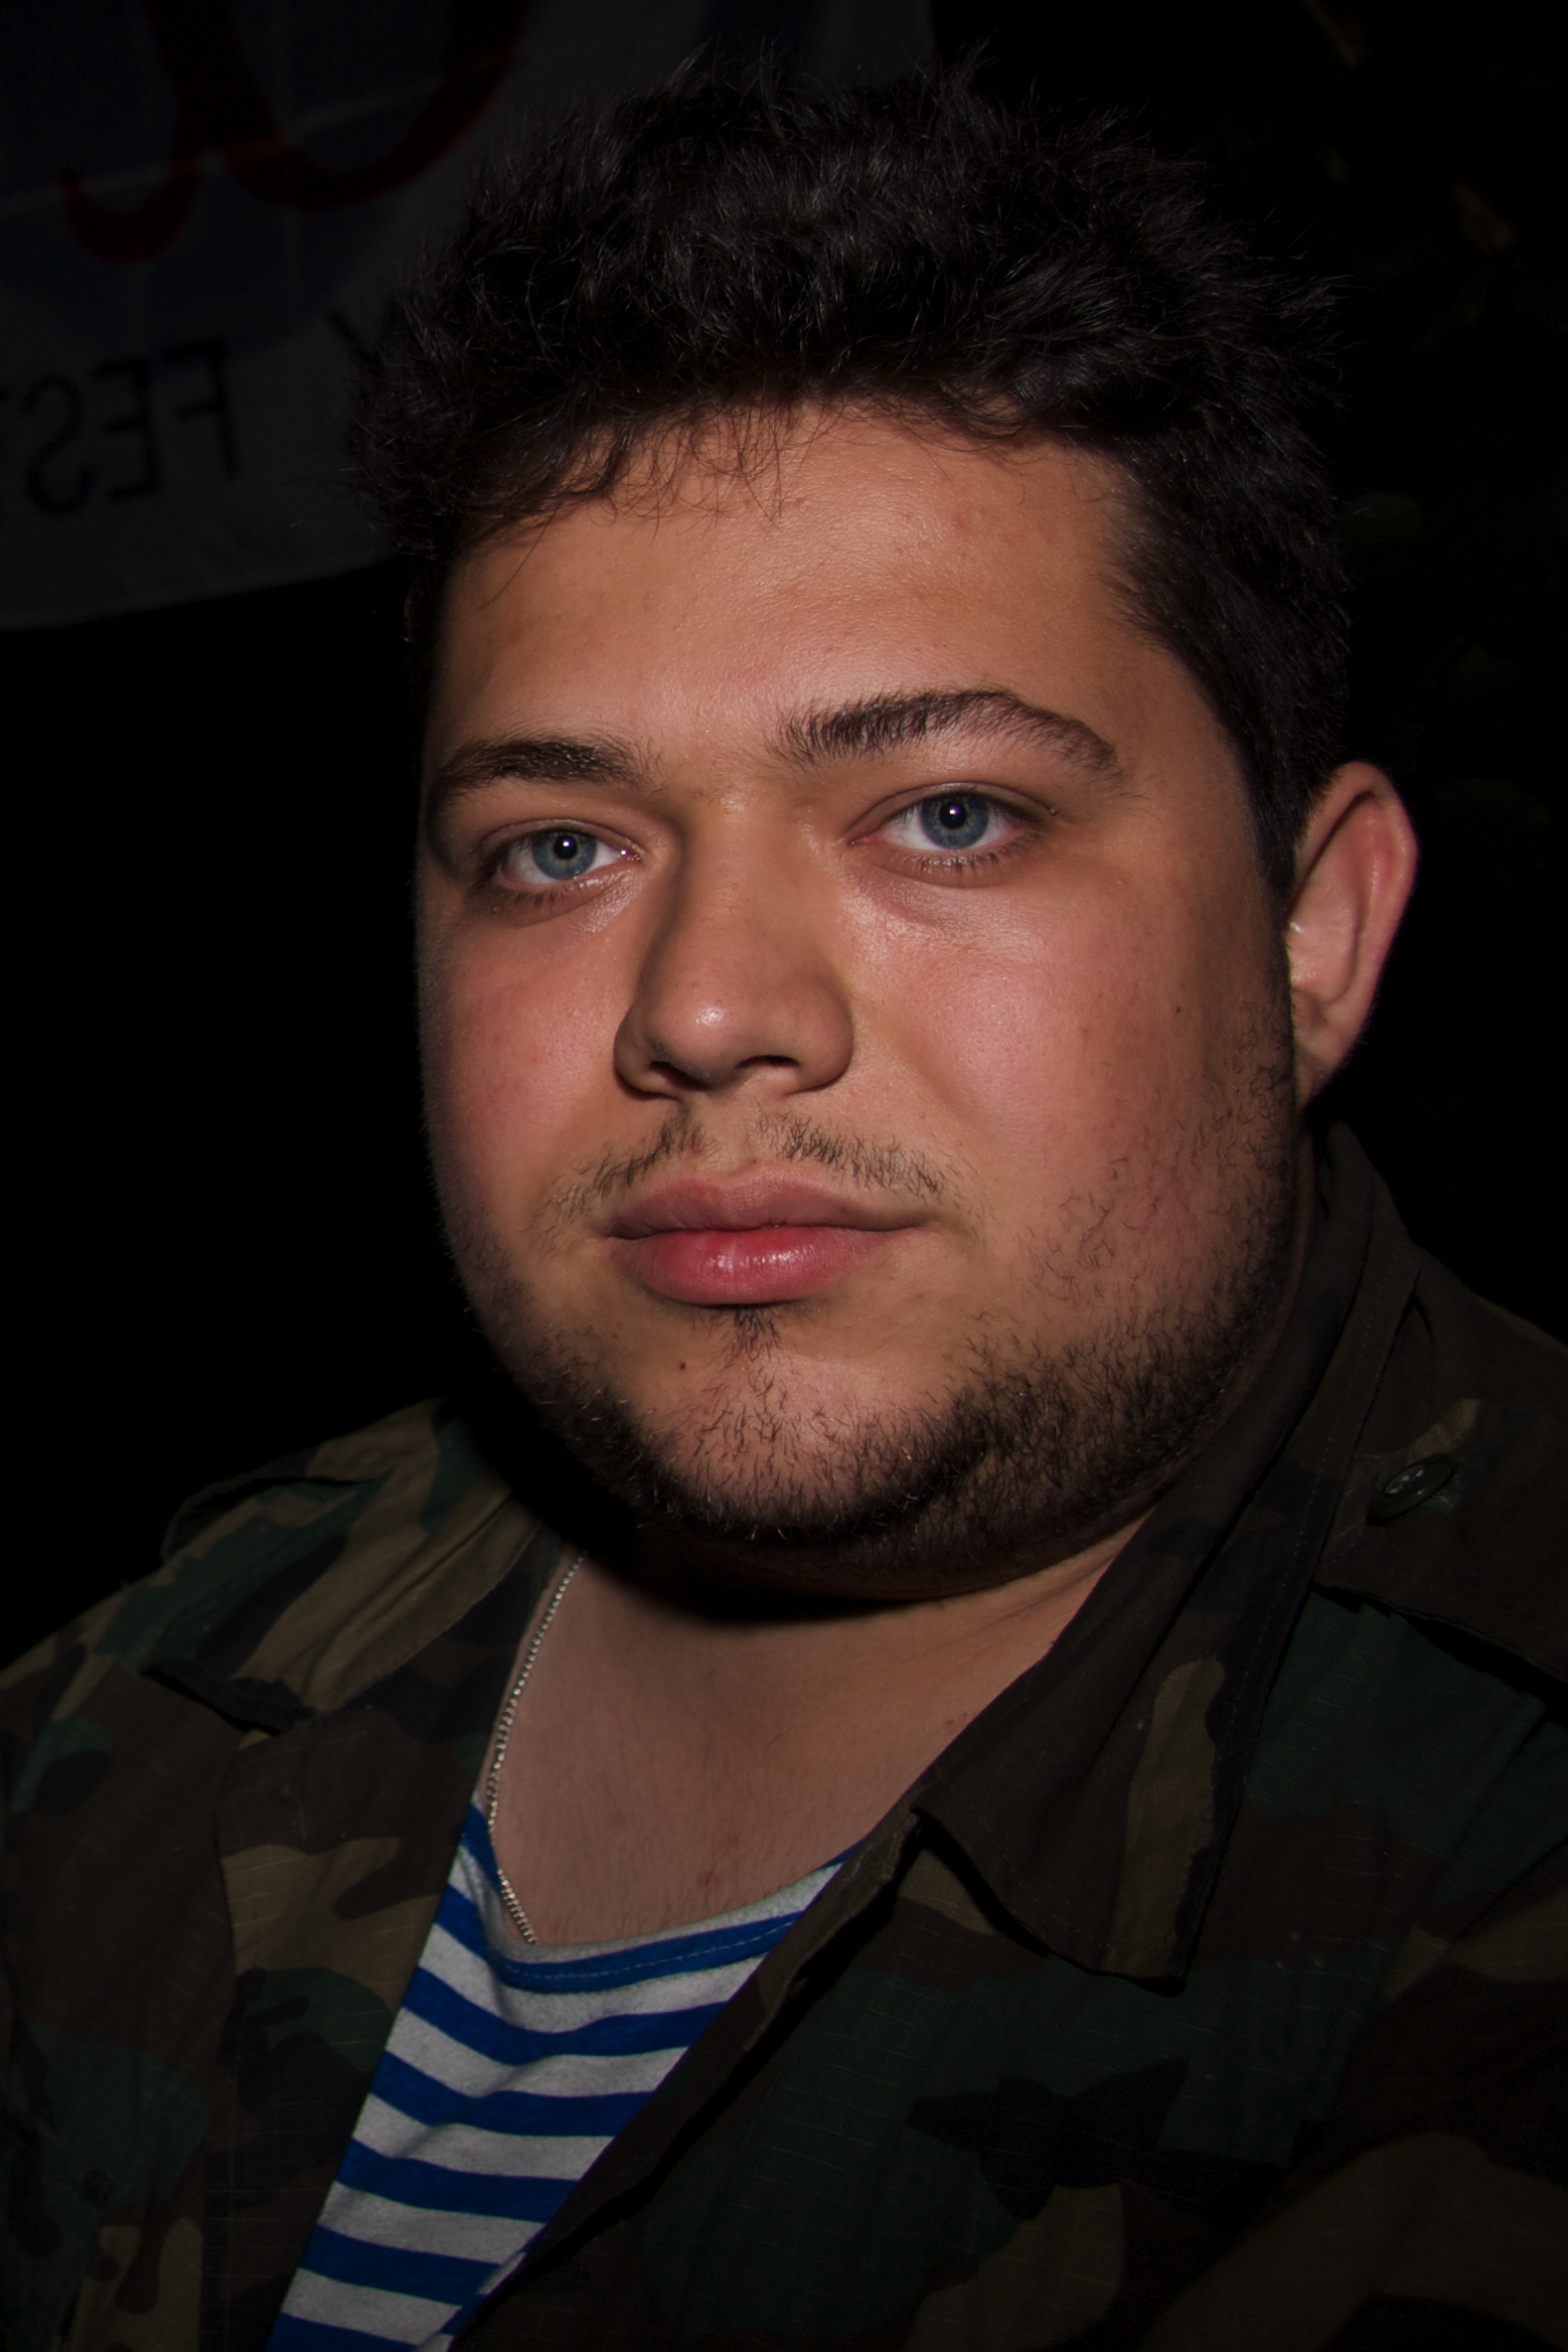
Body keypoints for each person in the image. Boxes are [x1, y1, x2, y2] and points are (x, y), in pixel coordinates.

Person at [4, 69, 1564, 2352]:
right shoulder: (152, 1700)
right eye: (559, 846)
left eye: (948, 814)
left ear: (1311, 933)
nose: (707, 1006)